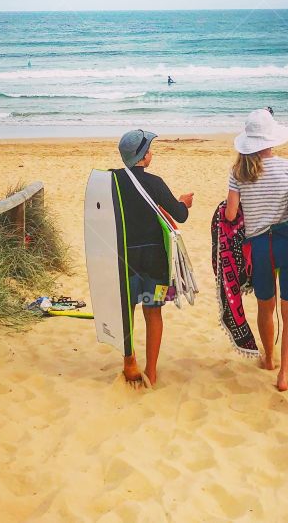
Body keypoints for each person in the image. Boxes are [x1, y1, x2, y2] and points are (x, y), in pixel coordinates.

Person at [224, 108, 288, 392]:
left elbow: (231, 215)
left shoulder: (238, 172)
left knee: (265, 307)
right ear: (271, 139)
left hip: (258, 249)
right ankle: (284, 376)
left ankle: (269, 359)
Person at [114, 129, 192, 388]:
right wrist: (184, 202)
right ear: (143, 156)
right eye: (149, 149)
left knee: (128, 310)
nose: (151, 152)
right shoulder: (155, 183)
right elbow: (180, 215)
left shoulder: (112, 182)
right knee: (152, 310)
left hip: (125, 257)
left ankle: (129, 362)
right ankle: (152, 371)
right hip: (154, 259)